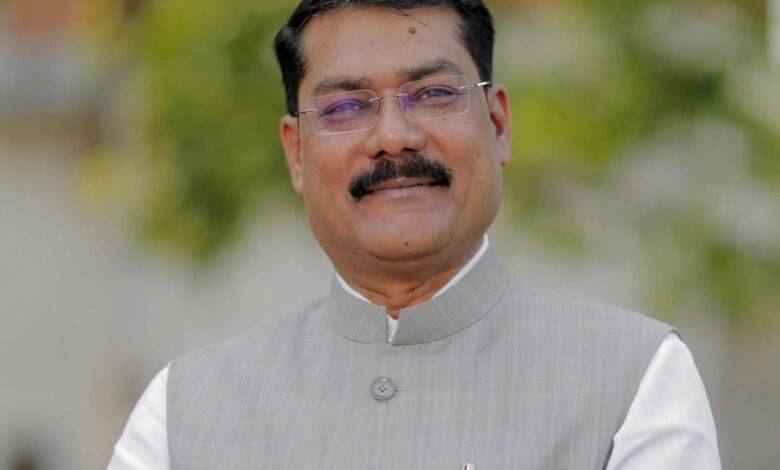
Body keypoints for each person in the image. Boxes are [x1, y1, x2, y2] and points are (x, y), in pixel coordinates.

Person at [108, 0, 721, 468]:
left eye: (433, 94)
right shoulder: (186, 409)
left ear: (498, 125)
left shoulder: (633, 378)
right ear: (296, 154)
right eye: (345, 107)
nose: (394, 137)